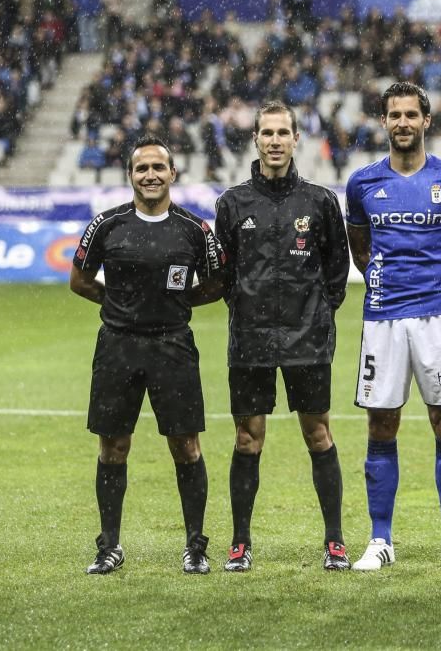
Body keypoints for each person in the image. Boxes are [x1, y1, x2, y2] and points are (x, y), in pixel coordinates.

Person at [344, 82, 441, 571]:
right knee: (381, 423)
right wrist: (387, 284)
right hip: (382, 321)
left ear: (427, 121)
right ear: (383, 122)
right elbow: (360, 250)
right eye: (394, 115)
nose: (403, 122)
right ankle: (380, 540)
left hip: (438, 319)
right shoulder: (362, 184)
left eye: (411, 114)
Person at [70, 135, 226, 575]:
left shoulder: (195, 230)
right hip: (117, 347)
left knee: (186, 446)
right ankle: (109, 547)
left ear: (173, 173)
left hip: (173, 346)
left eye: (159, 167)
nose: (151, 175)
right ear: (130, 175)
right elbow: (79, 281)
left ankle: (195, 546)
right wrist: (117, 304)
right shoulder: (106, 225)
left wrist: (176, 305)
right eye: (142, 169)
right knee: (113, 446)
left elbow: (216, 284)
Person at [214, 101, 351, 572]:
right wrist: (248, 308)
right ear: (255, 139)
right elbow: (224, 275)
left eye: (282, 133)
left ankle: (334, 541)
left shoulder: (319, 202)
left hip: (306, 339)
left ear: (297, 139)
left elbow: (337, 271)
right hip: (250, 340)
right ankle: (240, 542)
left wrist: (315, 313)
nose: (274, 141)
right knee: (248, 440)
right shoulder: (232, 204)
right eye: (266, 133)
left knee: (318, 434)